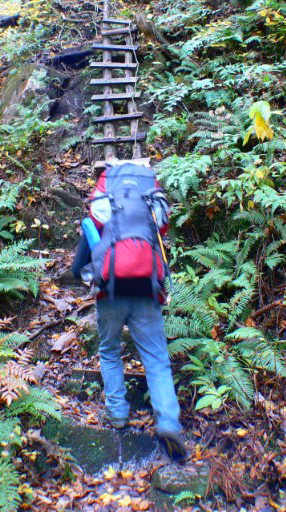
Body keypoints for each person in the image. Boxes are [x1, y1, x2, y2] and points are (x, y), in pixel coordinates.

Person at [72, 162, 188, 461]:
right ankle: (168, 422)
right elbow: (163, 228)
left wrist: (84, 271)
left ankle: (118, 414)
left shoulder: (104, 196)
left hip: (110, 290)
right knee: (156, 359)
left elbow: (88, 239)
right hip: (146, 288)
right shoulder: (149, 193)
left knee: (110, 350)